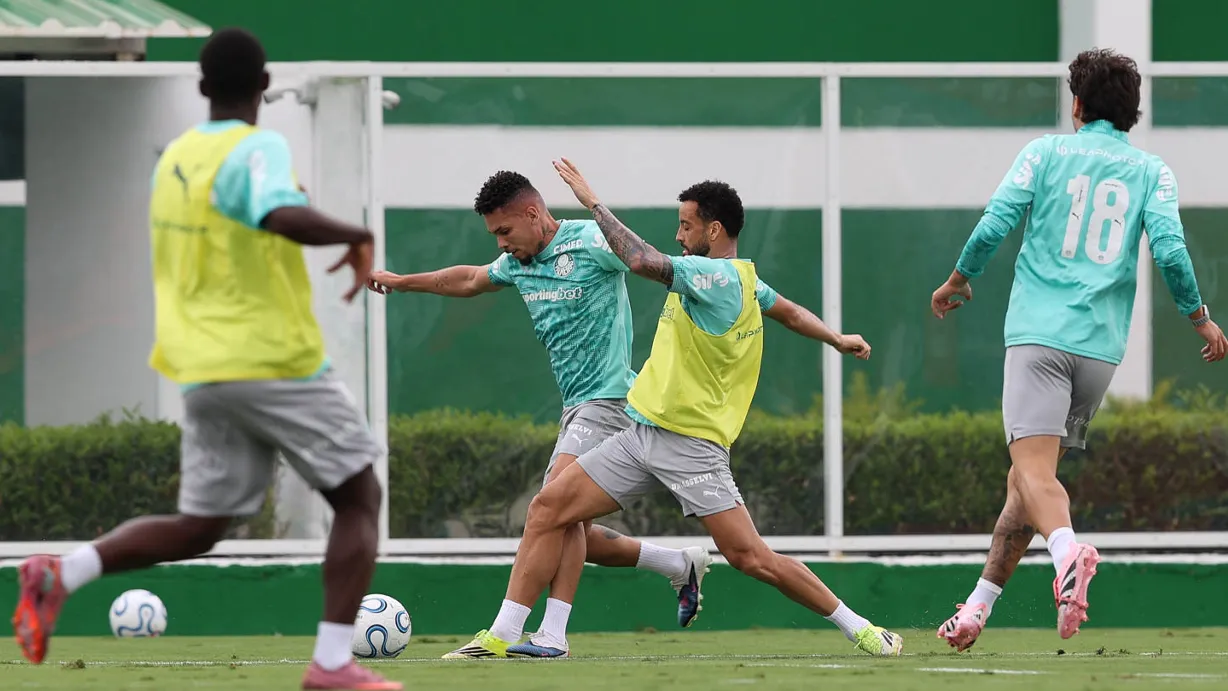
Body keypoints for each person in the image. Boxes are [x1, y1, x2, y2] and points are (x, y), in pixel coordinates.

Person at [9, 28, 403, 691]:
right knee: (359, 494)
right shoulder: (257, 147)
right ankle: (333, 664)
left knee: (202, 526)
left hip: (200, 369)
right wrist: (355, 230)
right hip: (271, 358)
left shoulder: (174, 160)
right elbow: (277, 211)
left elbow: (255, 211)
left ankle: (62, 571)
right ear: (264, 85)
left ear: (200, 88)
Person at [443, 159, 904, 659]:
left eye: (686, 226)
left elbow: (642, 261)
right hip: (641, 433)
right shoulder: (746, 281)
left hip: (691, 446)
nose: (678, 235)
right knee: (549, 509)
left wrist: (593, 203)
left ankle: (859, 627)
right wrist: (835, 337)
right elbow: (789, 311)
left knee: (751, 558)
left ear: (715, 229)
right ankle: (507, 636)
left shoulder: (716, 277)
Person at [931, 48, 1227, 652]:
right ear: (1132, 112)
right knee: (1026, 485)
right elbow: (1170, 252)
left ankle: (1069, 555)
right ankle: (977, 608)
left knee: (1035, 474)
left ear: (1077, 104)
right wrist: (1198, 317)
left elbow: (994, 224)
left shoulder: (1043, 153)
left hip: (1040, 338)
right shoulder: (1153, 171)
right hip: (1099, 355)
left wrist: (961, 277)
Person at [367, 171, 711, 659]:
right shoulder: (516, 263)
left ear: (532, 214)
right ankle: (677, 564)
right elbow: (467, 279)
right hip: (577, 407)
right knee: (570, 526)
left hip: (609, 401)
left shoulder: (589, 241)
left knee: (549, 508)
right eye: (495, 237)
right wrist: (403, 282)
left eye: (505, 232)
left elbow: (646, 261)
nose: (502, 245)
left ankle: (518, 634)